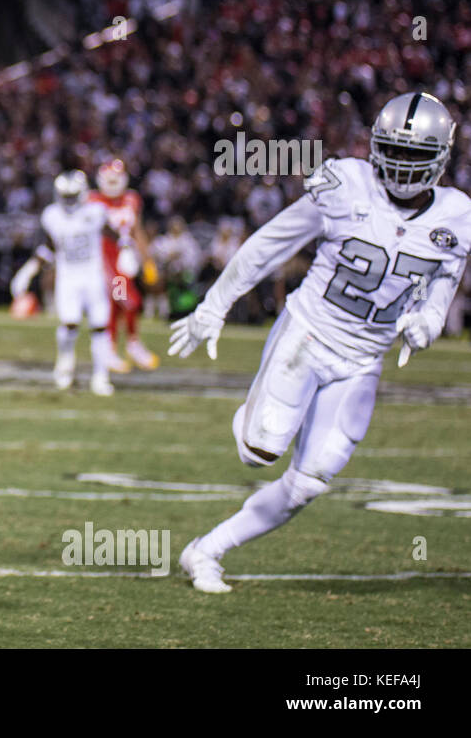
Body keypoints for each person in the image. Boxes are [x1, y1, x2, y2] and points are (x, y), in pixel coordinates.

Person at [170, 92, 471, 593]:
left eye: (413, 154)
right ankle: (255, 416)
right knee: (256, 453)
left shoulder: (458, 215)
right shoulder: (345, 185)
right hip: (309, 332)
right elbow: (270, 242)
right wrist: (213, 305)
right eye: (392, 150)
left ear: (441, 157)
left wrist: (430, 322)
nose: (399, 165)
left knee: (307, 484)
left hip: (362, 359)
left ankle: (205, 551)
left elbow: (444, 279)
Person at [11, 170, 120, 395]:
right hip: (69, 278)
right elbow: (49, 247)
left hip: (93, 276)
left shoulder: (96, 211)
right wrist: (29, 269)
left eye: (72, 195)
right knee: (69, 325)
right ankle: (65, 366)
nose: (69, 200)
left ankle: (101, 376)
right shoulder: (52, 215)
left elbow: (115, 235)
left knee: (100, 327)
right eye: (66, 196)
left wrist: (128, 250)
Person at [88, 159, 160, 372]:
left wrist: (148, 261)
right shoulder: (92, 201)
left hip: (125, 258)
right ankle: (131, 343)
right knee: (129, 300)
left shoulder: (131, 199)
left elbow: (137, 231)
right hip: (104, 260)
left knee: (116, 304)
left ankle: (112, 348)